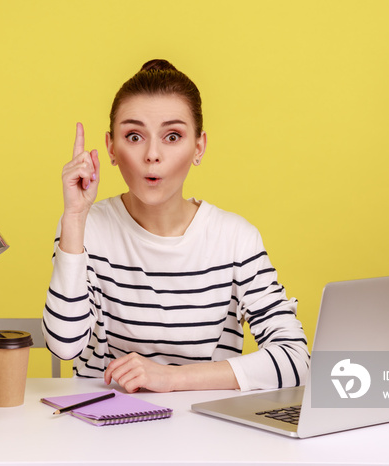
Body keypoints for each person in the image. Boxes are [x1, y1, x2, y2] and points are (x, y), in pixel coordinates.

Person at [43, 59, 309, 393]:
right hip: (102, 427)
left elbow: (295, 358)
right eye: (134, 136)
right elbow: (65, 346)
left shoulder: (235, 238)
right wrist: (74, 217)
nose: (152, 154)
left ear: (198, 147)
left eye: (172, 136)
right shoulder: (87, 227)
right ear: (111, 148)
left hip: (206, 430)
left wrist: (171, 379)